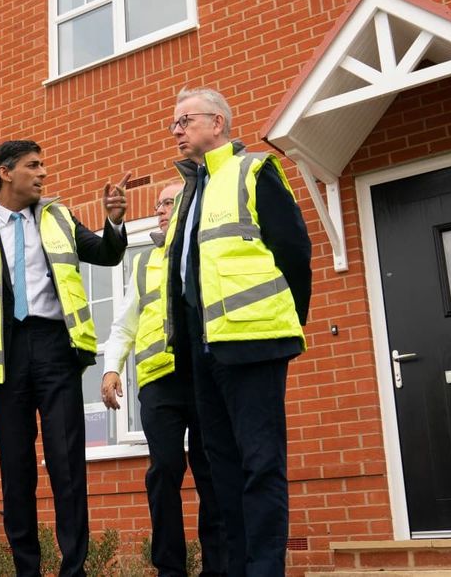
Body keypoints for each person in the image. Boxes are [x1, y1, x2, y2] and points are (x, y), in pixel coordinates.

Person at [0, 140, 129, 577]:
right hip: (5, 360)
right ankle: (26, 570)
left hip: (56, 350)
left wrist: (115, 221)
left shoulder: (58, 216)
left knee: (67, 463)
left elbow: (106, 254)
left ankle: (74, 570)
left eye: (43, 165)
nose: (43, 173)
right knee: (17, 471)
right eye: (33, 166)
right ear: (5, 173)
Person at [162, 88, 311, 576]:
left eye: (185, 121)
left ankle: (264, 569)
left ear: (218, 123)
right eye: (174, 124)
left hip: (253, 345)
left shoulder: (255, 171)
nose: (177, 131)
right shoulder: (190, 191)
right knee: (219, 470)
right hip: (204, 353)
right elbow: (185, 277)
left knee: (259, 465)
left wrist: (282, 325)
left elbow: (293, 252)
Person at [100, 180, 228, 576]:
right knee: (165, 470)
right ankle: (170, 569)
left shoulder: (208, 249)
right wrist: (110, 368)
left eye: (169, 202)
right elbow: (124, 326)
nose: (160, 209)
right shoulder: (143, 263)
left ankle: (218, 568)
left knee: (212, 472)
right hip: (159, 384)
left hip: (205, 379)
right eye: (158, 204)